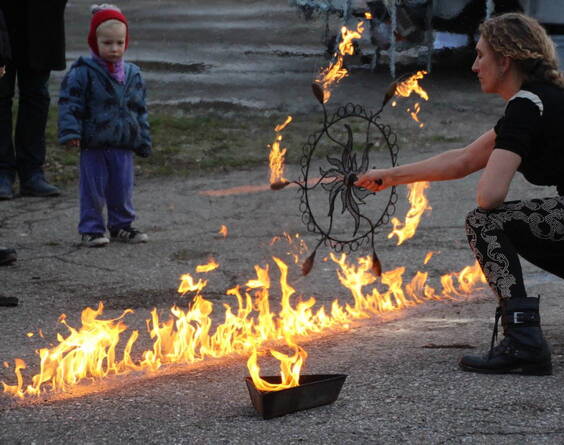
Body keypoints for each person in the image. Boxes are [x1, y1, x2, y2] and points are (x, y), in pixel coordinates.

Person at [356, 12, 564, 376]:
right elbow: (463, 160)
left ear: (505, 60)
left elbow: (489, 197)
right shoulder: (544, 100)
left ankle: (524, 343)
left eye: (481, 55)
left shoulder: (527, 105)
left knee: (485, 223)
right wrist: (389, 177)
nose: (473, 65)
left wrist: (506, 159)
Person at [58, 4, 151, 247]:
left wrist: (142, 138)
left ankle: (122, 225)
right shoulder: (83, 73)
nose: (114, 49)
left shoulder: (133, 74)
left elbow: (139, 108)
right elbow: (70, 103)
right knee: (93, 188)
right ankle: (91, 228)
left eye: (120, 43)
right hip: (94, 143)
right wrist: (70, 131)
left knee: (122, 188)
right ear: (94, 42)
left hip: (123, 143)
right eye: (107, 43)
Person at [0, 0, 67, 200]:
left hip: (41, 19)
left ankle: (32, 173)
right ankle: (2, 171)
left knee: (36, 95)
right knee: (0, 94)